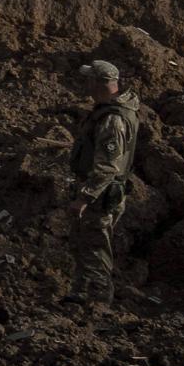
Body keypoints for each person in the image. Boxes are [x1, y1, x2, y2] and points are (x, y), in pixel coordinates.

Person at [64, 59, 145, 306]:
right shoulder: (111, 110)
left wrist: (85, 198)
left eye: (89, 80)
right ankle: (80, 295)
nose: (86, 85)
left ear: (99, 83)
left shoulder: (113, 120)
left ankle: (98, 302)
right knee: (85, 245)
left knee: (96, 248)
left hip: (101, 194)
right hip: (101, 191)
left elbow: (107, 166)